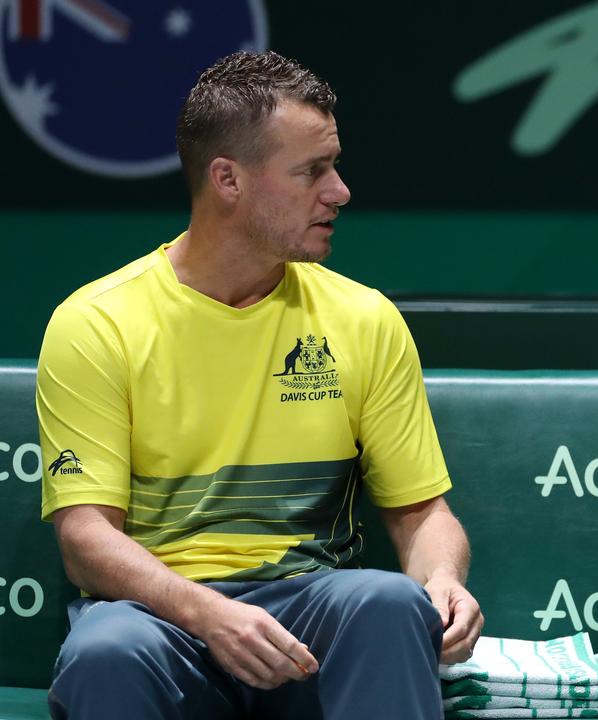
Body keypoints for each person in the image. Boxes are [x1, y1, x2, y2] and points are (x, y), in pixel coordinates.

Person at [36, 51, 482, 720]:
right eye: (312, 172)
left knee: (391, 602)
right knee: (106, 651)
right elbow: (85, 540)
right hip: (158, 616)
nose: (340, 191)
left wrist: (443, 580)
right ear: (228, 180)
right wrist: (209, 612)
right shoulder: (96, 323)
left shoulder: (364, 318)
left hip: (308, 612)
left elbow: (421, 514)